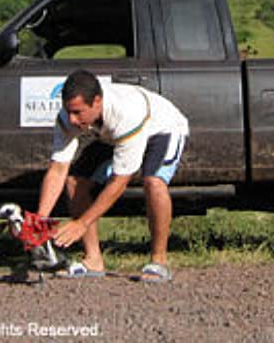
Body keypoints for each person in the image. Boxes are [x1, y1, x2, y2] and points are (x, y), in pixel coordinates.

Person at [36, 69, 189, 282]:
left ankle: (159, 261)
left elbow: (119, 182)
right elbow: (58, 168)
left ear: (96, 102)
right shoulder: (68, 117)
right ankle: (93, 260)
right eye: (68, 111)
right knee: (75, 182)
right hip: (115, 135)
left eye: (78, 112)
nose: (72, 119)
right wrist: (40, 220)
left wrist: (81, 223)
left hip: (162, 128)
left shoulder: (125, 114)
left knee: (153, 182)